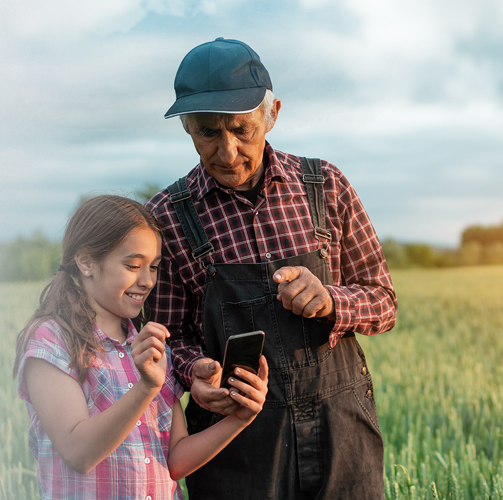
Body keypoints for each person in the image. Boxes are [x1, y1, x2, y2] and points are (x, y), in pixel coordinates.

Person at [146, 38, 399, 499]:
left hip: (341, 434)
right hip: (236, 445)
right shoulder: (166, 216)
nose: (226, 152)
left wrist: (330, 300)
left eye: (242, 130)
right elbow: (161, 339)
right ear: (186, 127)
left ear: (273, 113)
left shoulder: (326, 187)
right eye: (207, 132)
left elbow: (383, 302)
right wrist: (194, 372)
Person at [16, 195, 273, 500]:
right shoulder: (52, 339)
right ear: (86, 262)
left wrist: (239, 419)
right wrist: (146, 387)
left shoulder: (147, 343)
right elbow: (78, 452)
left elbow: (176, 460)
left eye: (153, 267)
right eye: (133, 265)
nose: (147, 281)